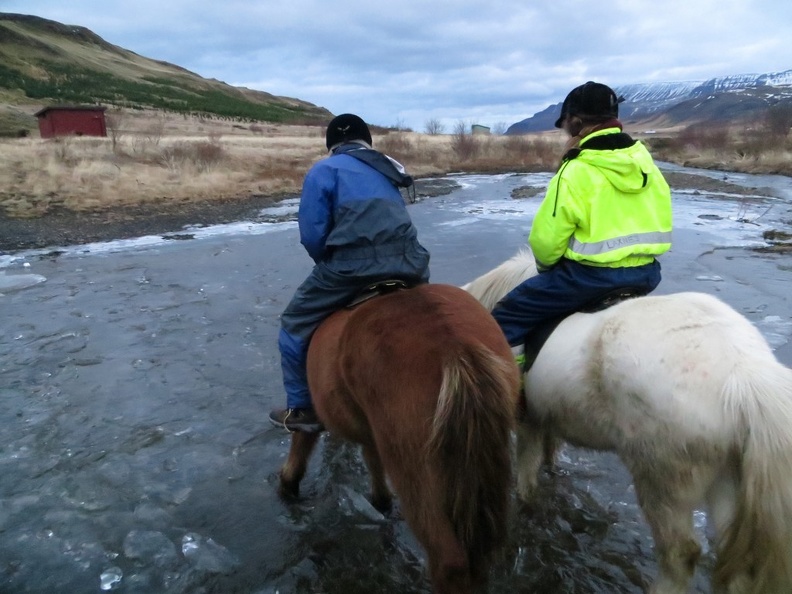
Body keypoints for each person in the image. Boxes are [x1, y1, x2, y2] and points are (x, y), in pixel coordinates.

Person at [269, 113, 431, 432]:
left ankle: (302, 410)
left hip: (351, 267)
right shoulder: (386, 169)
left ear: (332, 145)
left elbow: (313, 234)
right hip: (412, 262)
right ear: (365, 142)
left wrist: (328, 263)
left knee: (293, 323)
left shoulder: (324, 170)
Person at [491, 81, 672, 351]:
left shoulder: (575, 170)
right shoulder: (646, 164)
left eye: (565, 125)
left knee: (502, 318)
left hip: (588, 279)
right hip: (647, 273)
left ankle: (513, 377)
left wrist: (545, 270)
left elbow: (546, 242)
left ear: (576, 123)